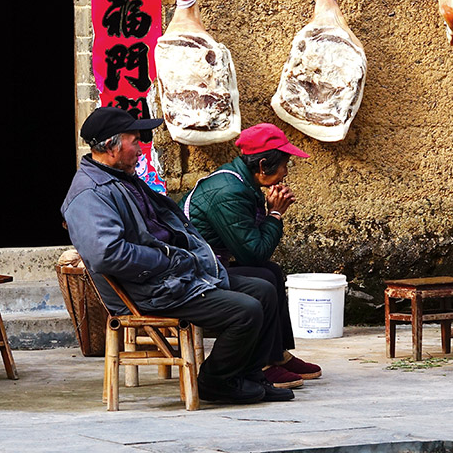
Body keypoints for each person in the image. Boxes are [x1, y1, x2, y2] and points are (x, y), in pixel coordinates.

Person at [61, 107, 294, 404]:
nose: (140, 148)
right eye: (135, 141)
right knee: (245, 310)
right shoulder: (90, 194)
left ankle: (248, 375)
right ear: (110, 147)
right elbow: (108, 255)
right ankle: (216, 382)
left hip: (177, 276)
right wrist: (168, 261)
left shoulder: (121, 177)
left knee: (263, 290)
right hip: (150, 289)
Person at [182, 123, 322, 389]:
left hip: (213, 265)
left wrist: (270, 212)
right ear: (263, 165)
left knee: (272, 271)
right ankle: (263, 363)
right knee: (263, 277)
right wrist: (276, 214)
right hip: (195, 274)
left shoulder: (241, 183)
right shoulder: (228, 192)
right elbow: (253, 254)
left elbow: (251, 248)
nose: (285, 173)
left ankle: (277, 354)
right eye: (284, 165)